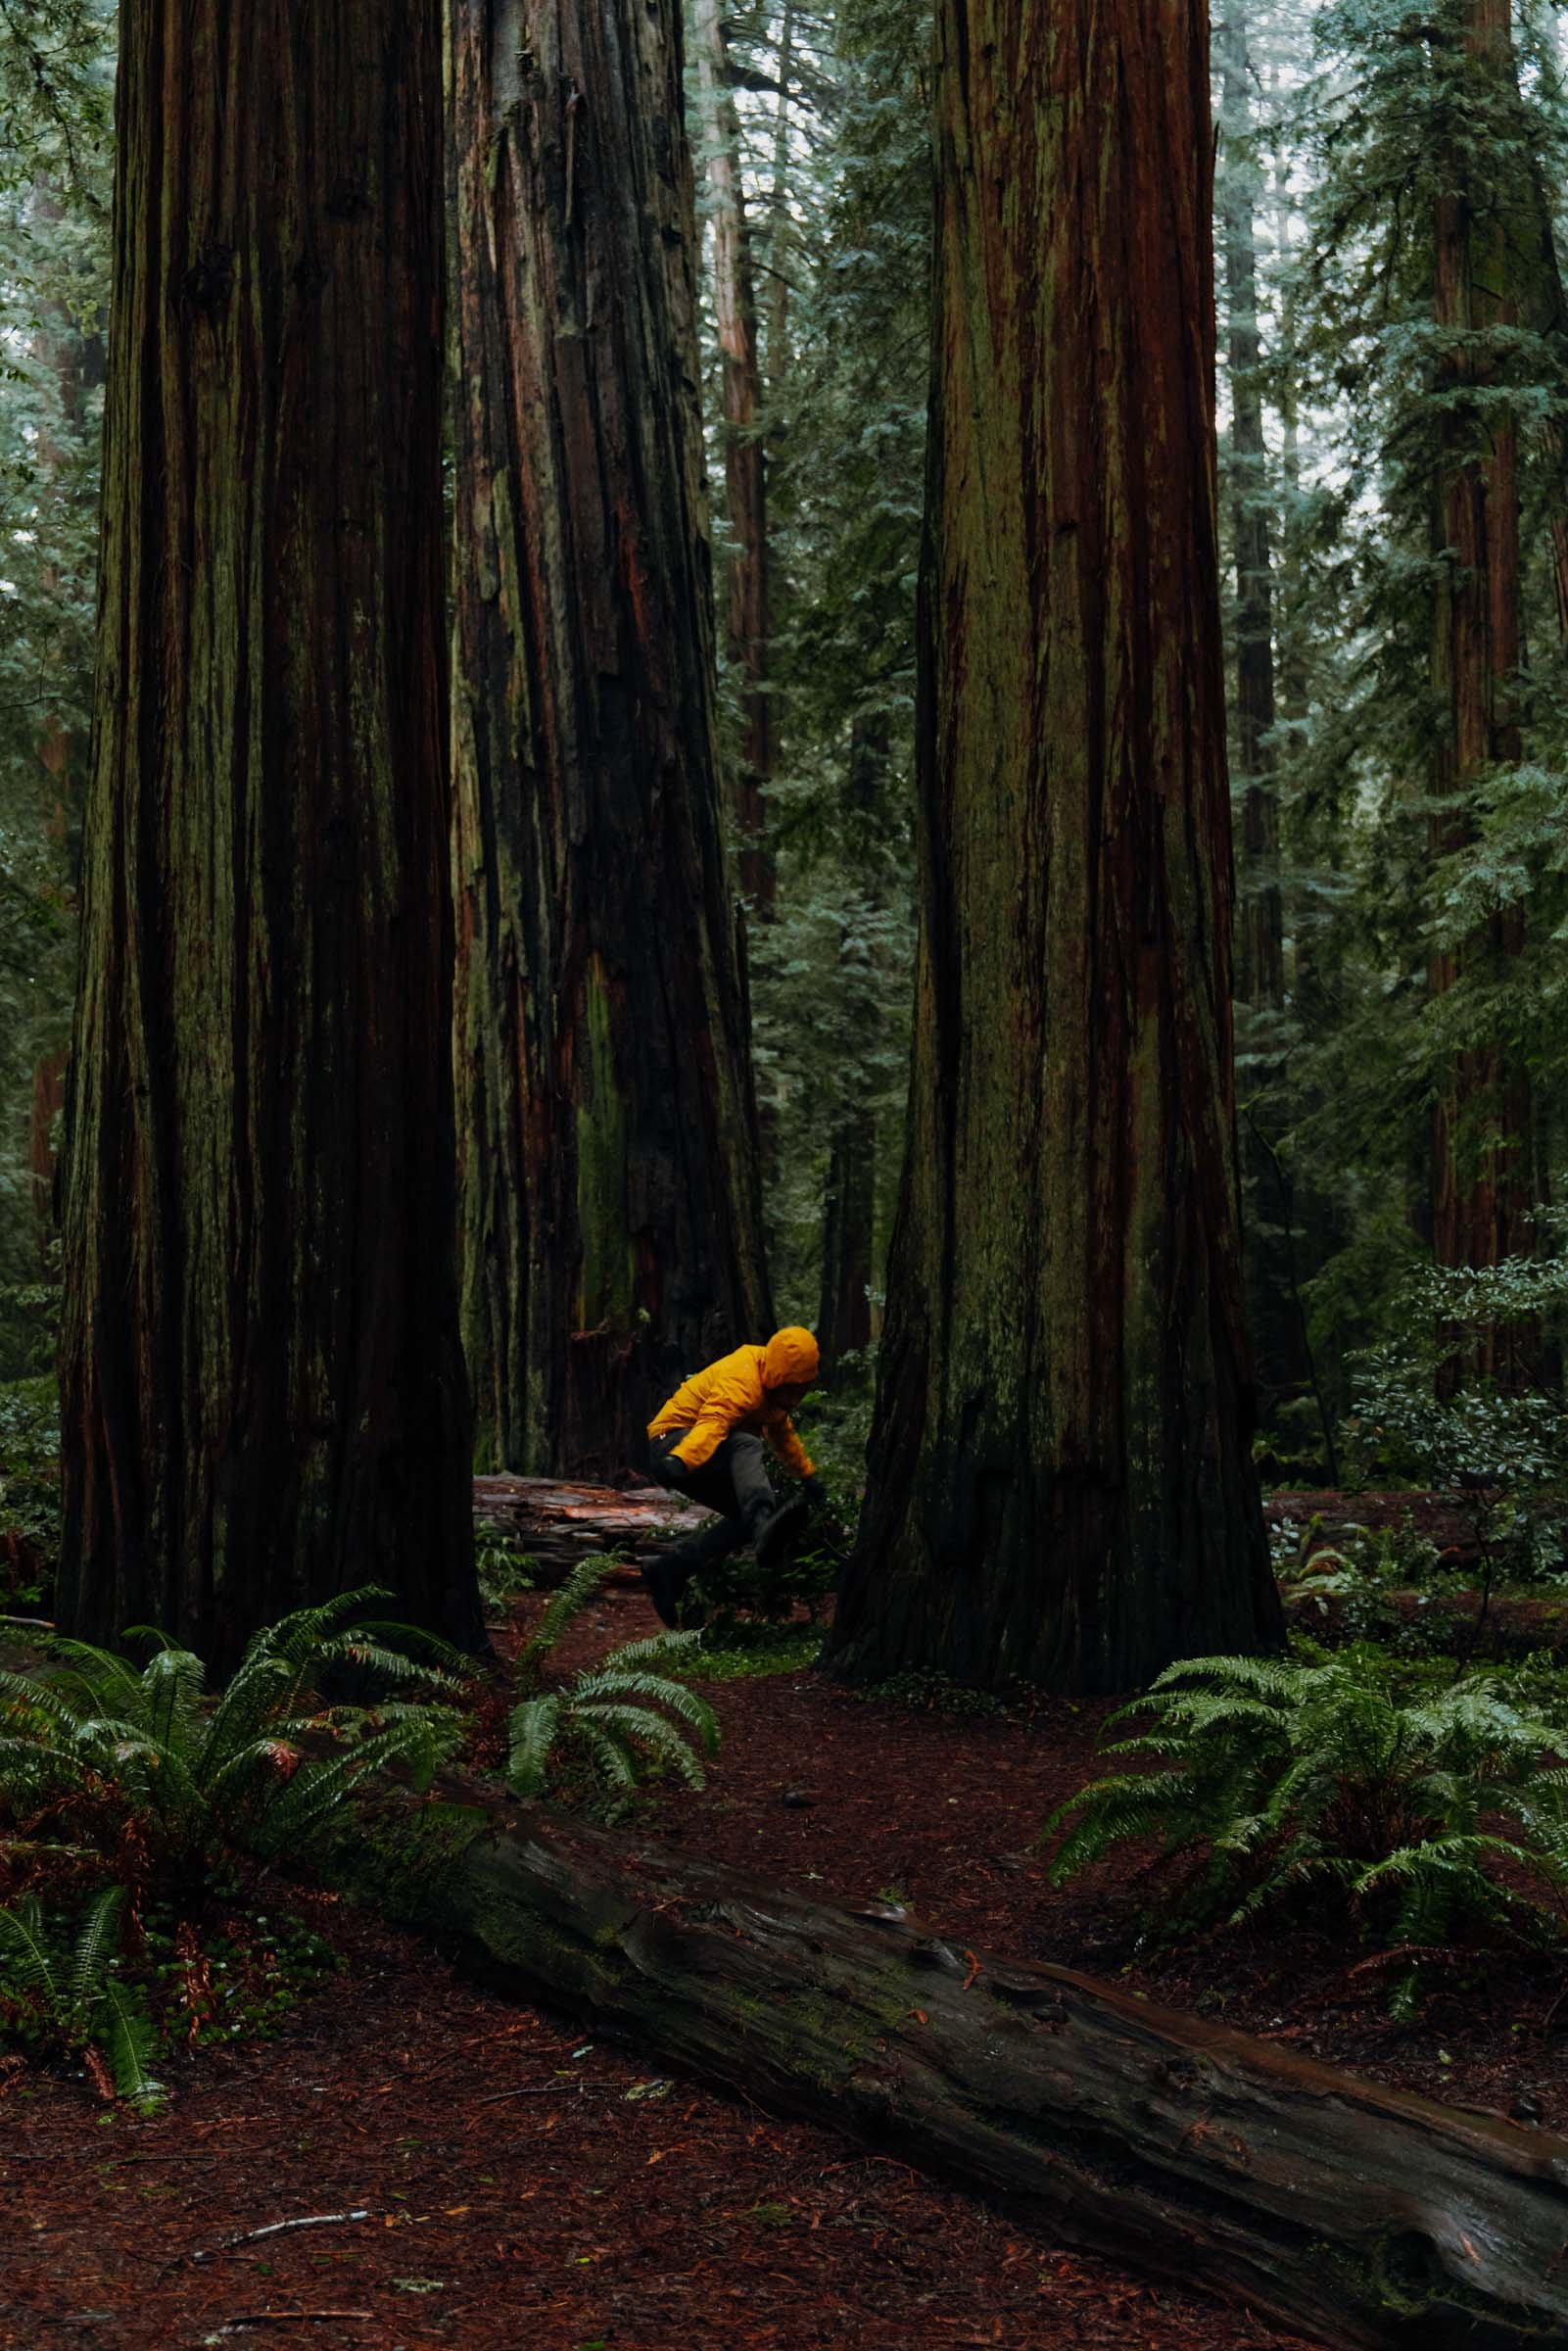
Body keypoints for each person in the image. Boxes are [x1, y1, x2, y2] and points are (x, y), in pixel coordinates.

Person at [642, 1326, 830, 1628]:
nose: (795, 1399)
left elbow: (783, 1434)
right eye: (791, 1390)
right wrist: (681, 1459)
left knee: (747, 1522)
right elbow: (712, 1424)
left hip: (697, 1451)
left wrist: (808, 1475)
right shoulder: (743, 1378)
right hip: (672, 1441)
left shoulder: (773, 1394)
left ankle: (668, 1569)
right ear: (777, 1377)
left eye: (801, 1390)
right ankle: (761, 1521)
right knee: (748, 1443)